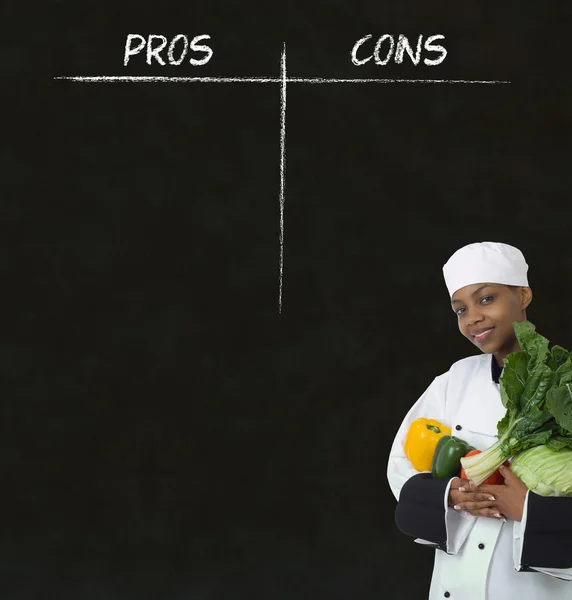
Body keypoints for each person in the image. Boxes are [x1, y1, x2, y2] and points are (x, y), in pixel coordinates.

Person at [387, 241, 572, 600]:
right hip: (455, 585)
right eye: (460, 309)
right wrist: (448, 495)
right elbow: (400, 465)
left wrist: (532, 511)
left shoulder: (566, 384)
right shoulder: (452, 382)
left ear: (523, 295)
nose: (472, 318)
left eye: (486, 298)